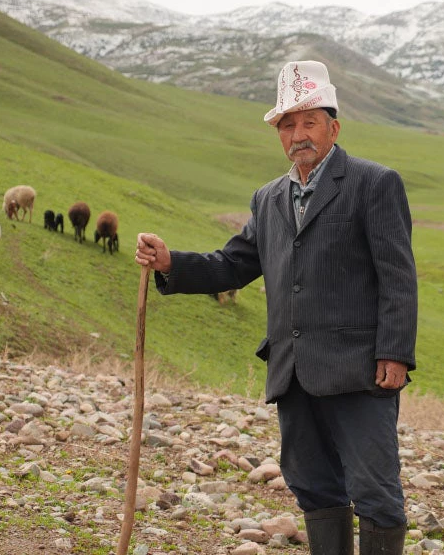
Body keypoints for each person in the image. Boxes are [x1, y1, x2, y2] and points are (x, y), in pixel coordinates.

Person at [135, 60, 418, 555]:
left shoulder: (374, 183)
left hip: (360, 371)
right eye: (287, 124)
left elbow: (397, 275)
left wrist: (394, 352)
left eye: (309, 121)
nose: (298, 133)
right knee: (312, 484)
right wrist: (169, 263)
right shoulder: (269, 199)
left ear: (334, 126)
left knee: (374, 490)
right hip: (293, 371)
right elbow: (232, 265)